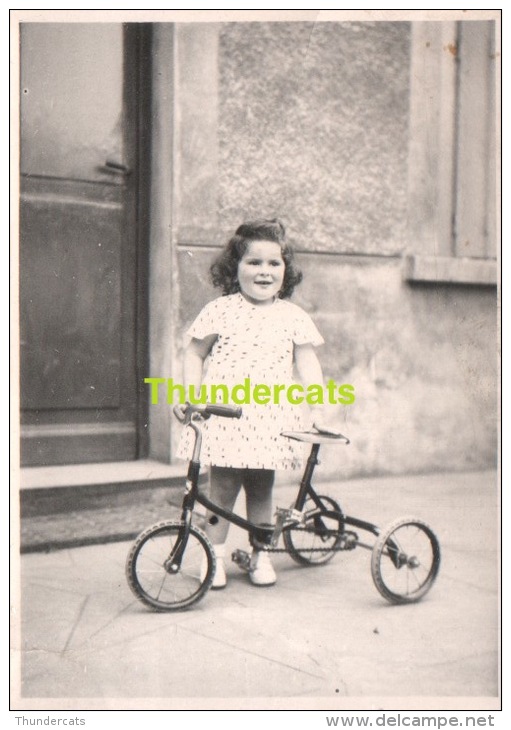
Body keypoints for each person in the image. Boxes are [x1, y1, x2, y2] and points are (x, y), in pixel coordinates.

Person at [177, 219, 332, 589]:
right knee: (222, 491)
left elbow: (308, 363)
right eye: (253, 262)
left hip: (270, 419)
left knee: (262, 489)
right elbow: (195, 353)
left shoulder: (293, 317)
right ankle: (212, 556)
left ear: (286, 271)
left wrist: (318, 404)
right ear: (235, 268)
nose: (264, 271)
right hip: (227, 416)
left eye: (273, 264)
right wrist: (193, 396)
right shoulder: (220, 310)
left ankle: (261, 553)